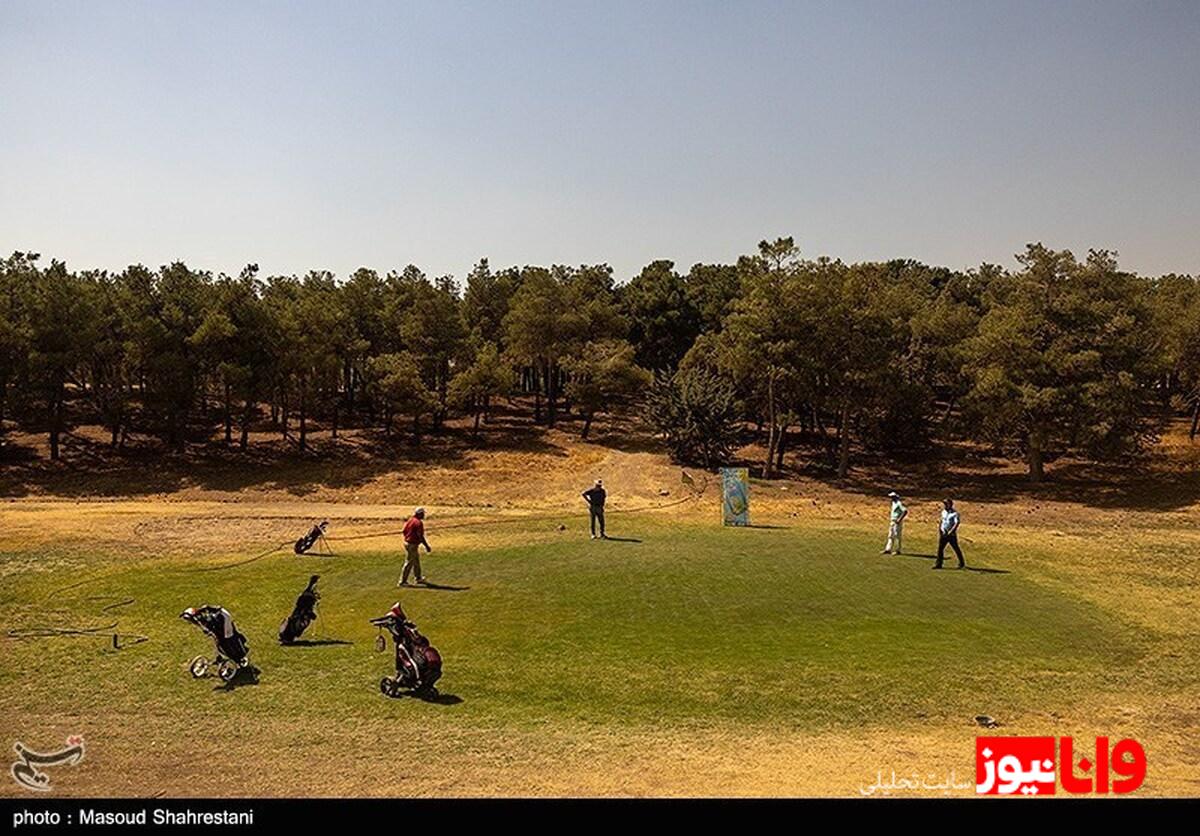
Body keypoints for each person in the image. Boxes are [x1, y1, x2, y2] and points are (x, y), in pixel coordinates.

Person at [399, 507, 432, 586]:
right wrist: (426, 546)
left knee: (416, 561)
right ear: (419, 514)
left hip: (408, 543)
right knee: (409, 562)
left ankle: (418, 578)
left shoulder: (410, 520)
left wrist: (407, 537)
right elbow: (420, 536)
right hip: (412, 544)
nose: (424, 515)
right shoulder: (418, 523)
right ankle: (402, 581)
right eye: (423, 514)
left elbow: (404, 531)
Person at [934, 498, 965, 569]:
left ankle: (961, 563)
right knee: (940, 549)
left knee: (956, 548)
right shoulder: (943, 512)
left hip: (951, 535)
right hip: (943, 533)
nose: (944, 505)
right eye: (944, 504)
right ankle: (939, 564)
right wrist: (940, 529)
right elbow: (942, 521)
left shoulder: (955, 514)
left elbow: (956, 523)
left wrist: (951, 531)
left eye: (946, 504)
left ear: (950, 505)